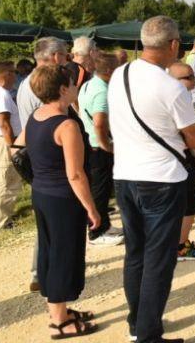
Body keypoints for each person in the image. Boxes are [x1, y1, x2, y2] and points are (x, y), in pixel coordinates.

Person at [108, 16, 195, 343]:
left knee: (135, 254)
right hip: (162, 180)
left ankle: (138, 324)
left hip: (124, 176)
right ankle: (148, 335)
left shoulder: (119, 75)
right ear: (174, 45)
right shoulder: (170, 88)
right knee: (159, 261)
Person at [18, 65, 101, 339]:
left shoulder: (36, 116)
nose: (77, 87)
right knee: (63, 255)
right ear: (63, 89)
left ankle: (59, 310)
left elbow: (16, 148)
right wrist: (91, 208)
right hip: (64, 198)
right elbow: (75, 174)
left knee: (50, 251)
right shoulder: (66, 125)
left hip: (42, 193)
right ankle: (59, 321)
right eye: (72, 84)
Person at [17, 37, 70, 290]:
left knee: (47, 219)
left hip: (38, 153)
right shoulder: (45, 83)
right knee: (53, 221)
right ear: (57, 56)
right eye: (66, 55)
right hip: (48, 155)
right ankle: (43, 272)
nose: (67, 59)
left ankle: (43, 270)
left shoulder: (29, 81)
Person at [79, 54, 124, 246]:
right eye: (117, 69)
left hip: (92, 143)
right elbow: (99, 123)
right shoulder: (101, 92)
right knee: (100, 190)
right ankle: (96, 232)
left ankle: (104, 224)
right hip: (99, 147)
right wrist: (107, 145)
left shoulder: (90, 84)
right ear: (108, 71)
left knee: (102, 189)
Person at [167, 62, 195, 262]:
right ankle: (180, 246)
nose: (194, 80)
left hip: (173, 156)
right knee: (191, 201)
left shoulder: (166, 97)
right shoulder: (179, 98)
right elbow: (192, 134)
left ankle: (176, 242)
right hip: (181, 155)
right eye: (190, 77)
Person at [0, 61, 22, 231]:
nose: (16, 75)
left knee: (0, 182)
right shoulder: (2, 95)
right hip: (4, 141)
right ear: (6, 74)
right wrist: (13, 146)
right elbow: (4, 123)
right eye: (14, 72)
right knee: (7, 182)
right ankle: (1, 222)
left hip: (0, 141)